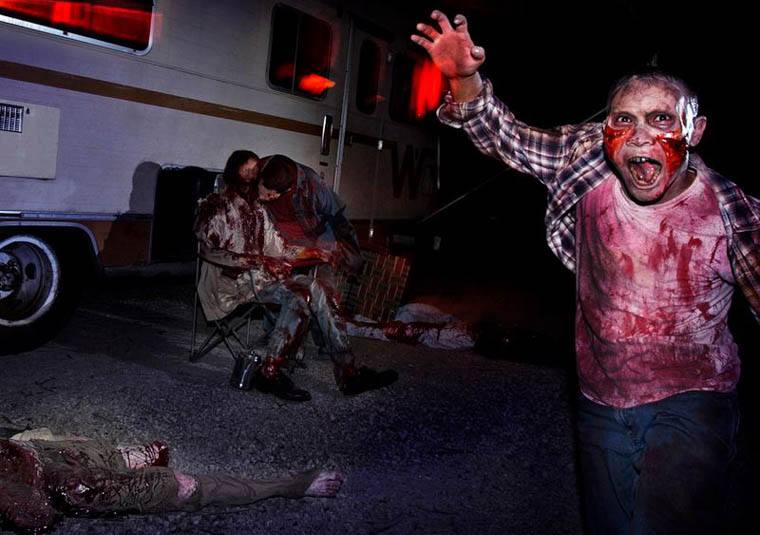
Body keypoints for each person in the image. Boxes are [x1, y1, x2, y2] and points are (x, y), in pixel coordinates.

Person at [412, 10, 758, 535]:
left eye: (661, 120)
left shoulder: (733, 212)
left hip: (695, 398)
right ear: (606, 128)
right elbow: (505, 136)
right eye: (624, 121)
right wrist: (464, 79)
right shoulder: (587, 158)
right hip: (601, 396)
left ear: (696, 130)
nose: (640, 138)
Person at [194, 151, 398, 402]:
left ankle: (348, 372)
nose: (253, 179)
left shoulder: (258, 210)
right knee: (299, 295)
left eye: (255, 173)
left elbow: (279, 248)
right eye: (247, 174)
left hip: (259, 281)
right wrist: (259, 261)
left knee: (314, 288)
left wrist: (317, 252)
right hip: (229, 285)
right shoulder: (215, 206)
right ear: (233, 173)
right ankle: (271, 371)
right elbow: (207, 251)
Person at [0, 427, 343, 532]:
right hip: (60, 484)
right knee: (183, 487)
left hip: (35, 453)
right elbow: (36, 515)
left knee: (99, 452)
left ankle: (125, 458)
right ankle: (291, 485)